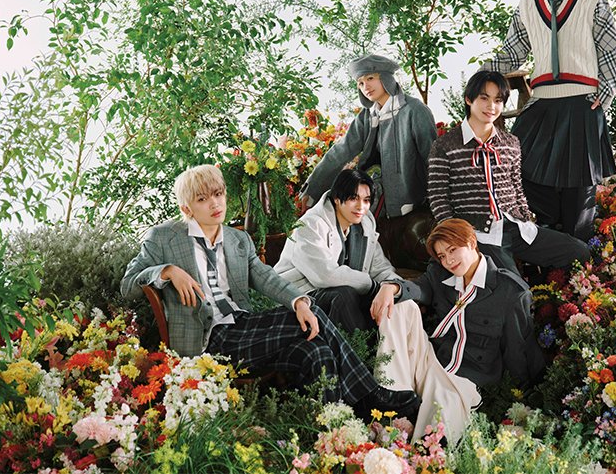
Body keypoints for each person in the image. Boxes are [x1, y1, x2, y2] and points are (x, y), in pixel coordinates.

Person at [120, 164, 420, 419]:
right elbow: (128, 285)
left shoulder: (238, 241)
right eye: (202, 199)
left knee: (316, 350)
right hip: (208, 340)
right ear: (187, 208)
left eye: (218, 194)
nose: (215, 204)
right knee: (315, 317)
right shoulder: (164, 239)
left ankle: (334, 429)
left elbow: (267, 278)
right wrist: (166, 271)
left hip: (242, 328)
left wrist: (298, 302)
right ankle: (370, 394)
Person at [480, 0, 616, 240]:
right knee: (511, 164)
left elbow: (608, 47)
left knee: (578, 190)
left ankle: (577, 251)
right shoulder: (527, 4)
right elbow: (513, 52)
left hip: (582, 99)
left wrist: (607, 90)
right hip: (542, 101)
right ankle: (550, 228)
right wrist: (481, 75)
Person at [368, 218, 545, 441]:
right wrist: (391, 287)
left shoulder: (511, 292)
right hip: (432, 362)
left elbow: (517, 351)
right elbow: (418, 288)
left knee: (437, 428)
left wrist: (519, 398)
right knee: (401, 306)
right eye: (442, 256)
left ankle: (412, 449)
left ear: (472, 242)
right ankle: (394, 397)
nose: (448, 261)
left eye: (452, 250)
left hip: (465, 381)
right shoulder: (440, 273)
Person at [426, 70, 590, 274]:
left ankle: (549, 288)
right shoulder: (444, 145)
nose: (491, 107)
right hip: (478, 234)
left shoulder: (510, 143)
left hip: (517, 227)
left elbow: (516, 187)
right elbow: (438, 197)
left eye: (498, 100)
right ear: (469, 99)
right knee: (513, 286)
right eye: (484, 98)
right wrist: (456, 236)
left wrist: (525, 216)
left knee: (578, 251)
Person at [300, 54, 437, 220]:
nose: (366, 87)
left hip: (407, 194)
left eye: (370, 78)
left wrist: (438, 201)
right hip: (371, 187)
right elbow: (341, 151)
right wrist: (312, 190)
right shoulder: (367, 116)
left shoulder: (414, 110)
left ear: (386, 78)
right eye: (360, 83)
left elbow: (432, 158)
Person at [273, 168, 404, 332]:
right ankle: (360, 347)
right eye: (353, 198)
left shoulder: (365, 225)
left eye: (366, 200)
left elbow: (380, 268)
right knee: (344, 295)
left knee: (390, 300)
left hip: (339, 294)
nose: (361, 206)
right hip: (299, 296)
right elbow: (325, 275)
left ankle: (382, 346)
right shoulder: (310, 224)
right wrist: (372, 286)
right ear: (336, 198)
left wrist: (392, 286)